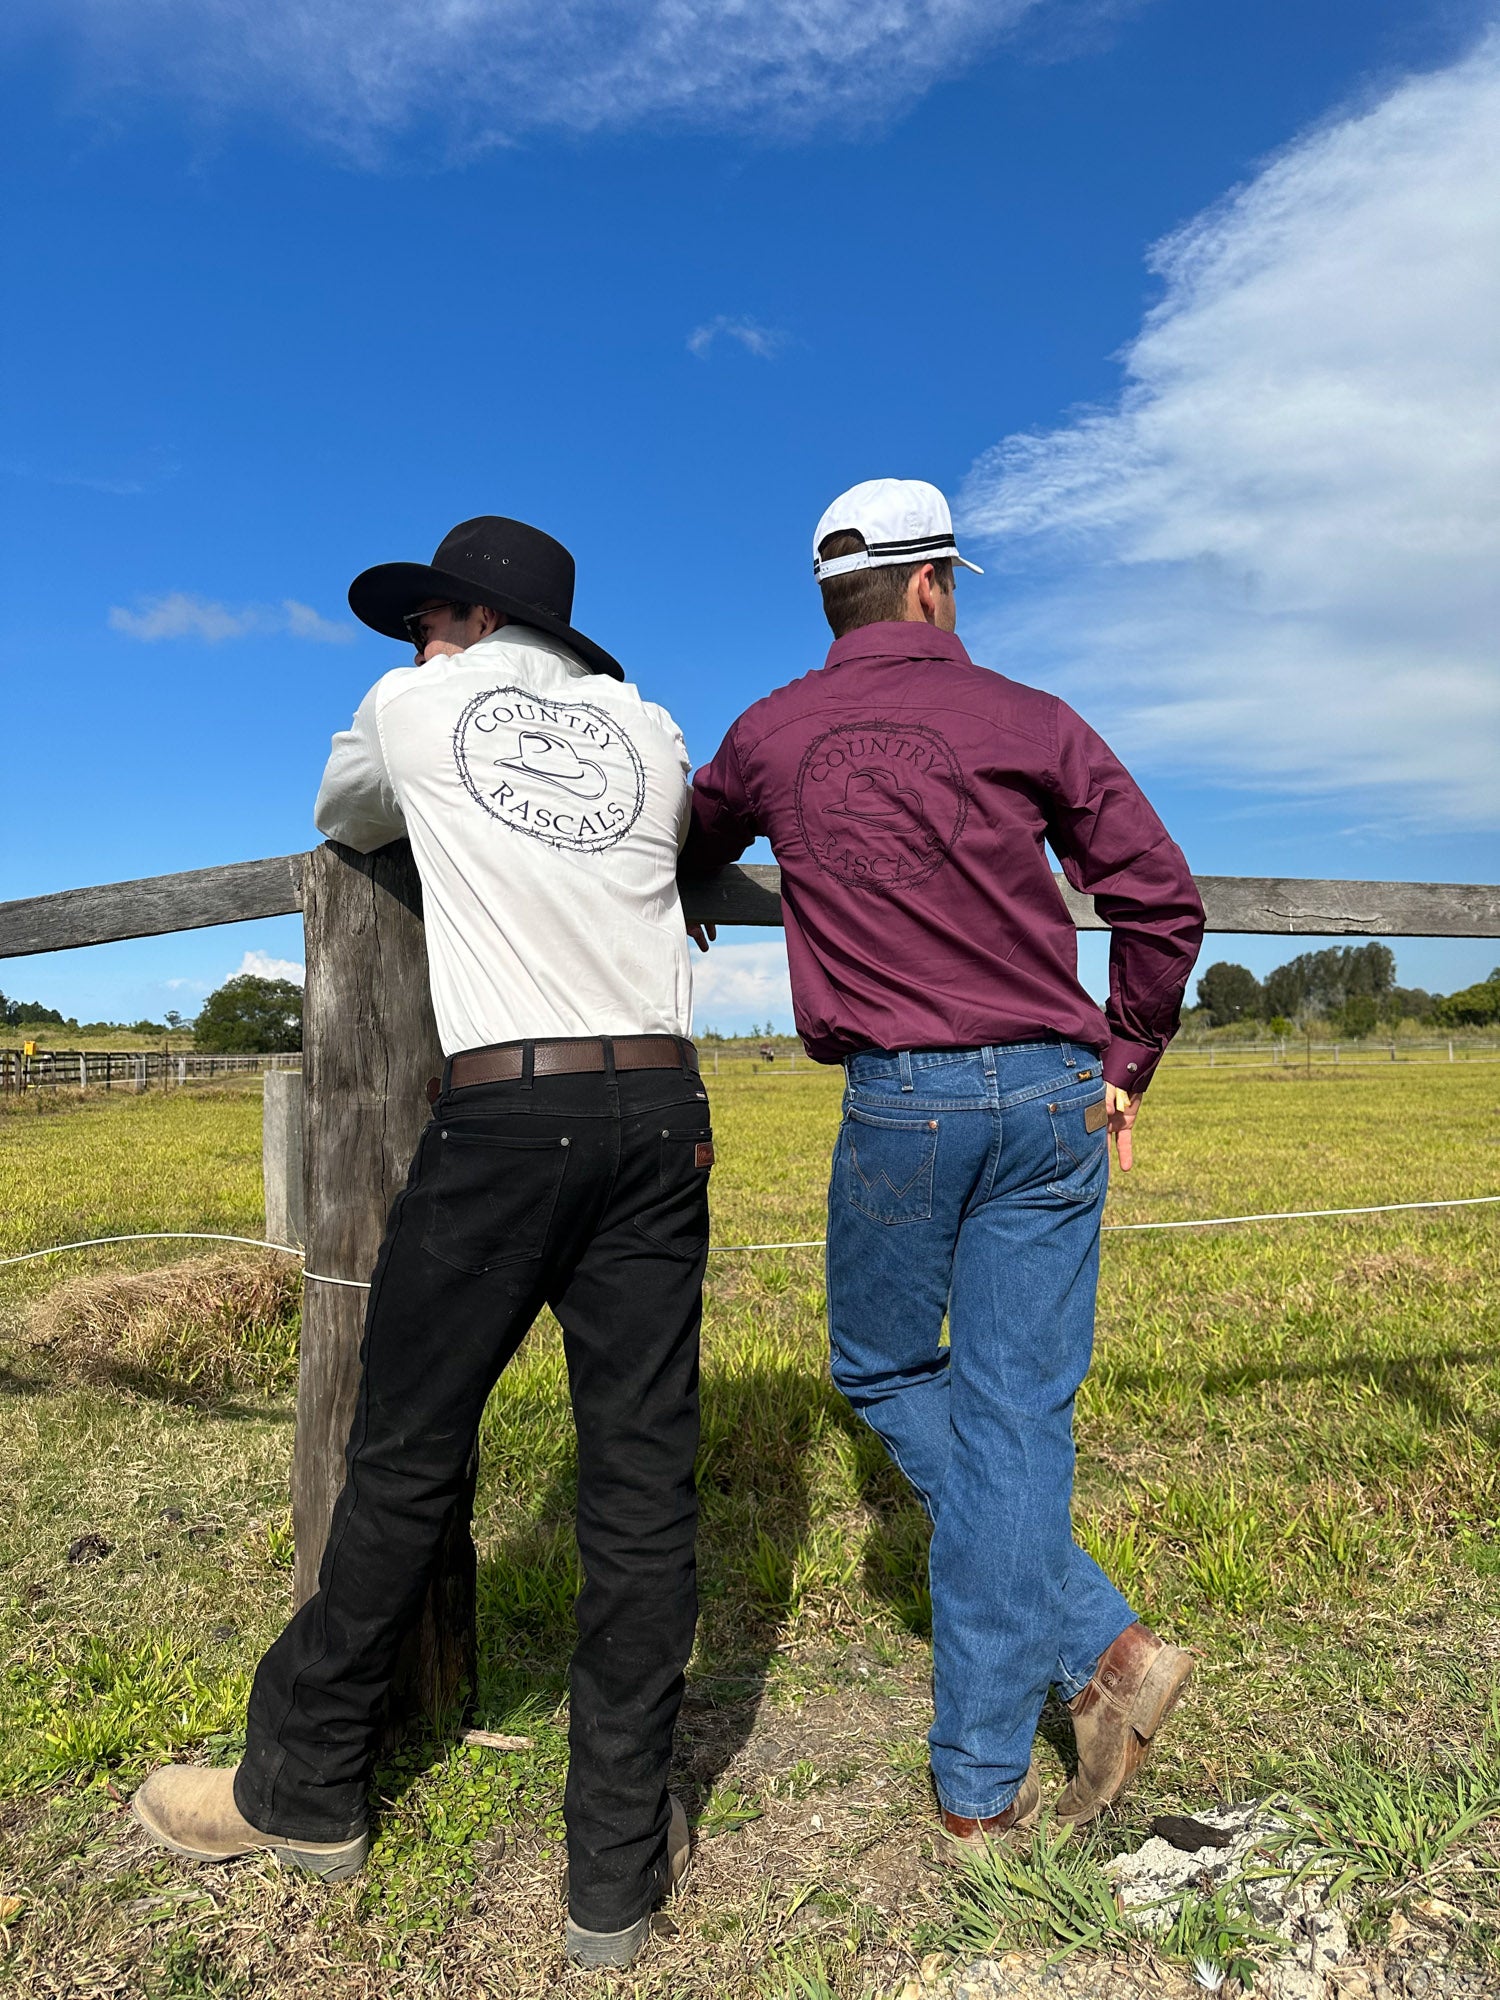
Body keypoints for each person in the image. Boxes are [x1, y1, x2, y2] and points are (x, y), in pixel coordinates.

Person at [132, 516, 710, 1969]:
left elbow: (347, 819)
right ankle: (614, 1877)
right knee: (641, 1476)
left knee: (405, 1450)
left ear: (460, 619)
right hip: (663, 1101)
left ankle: (304, 1783)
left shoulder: (414, 708)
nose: (405, 647)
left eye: (420, 621)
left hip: (514, 1110)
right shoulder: (652, 728)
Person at [682, 478, 1205, 1849]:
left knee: (882, 1366)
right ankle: (1025, 1740)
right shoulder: (1029, 718)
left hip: (902, 1098)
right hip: (1050, 1093)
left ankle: (1058, 1706)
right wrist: (1127, 1056)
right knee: (1016, 1414)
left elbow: (689, 838)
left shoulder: (770, 730)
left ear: (834, 596)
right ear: (935, 583)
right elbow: (1160, 894)